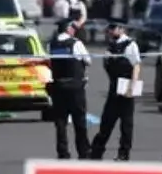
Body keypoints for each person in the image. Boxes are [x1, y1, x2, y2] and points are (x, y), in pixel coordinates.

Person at [90, 19, 141, 161]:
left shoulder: (130, 45)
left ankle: (123, 153)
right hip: (114, 87)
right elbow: (107, 65)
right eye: (110, 28)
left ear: (122, 29)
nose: (111, 31)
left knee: (126, 124)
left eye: (114, 28)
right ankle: (96, 152)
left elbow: (136, 66)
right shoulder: (111, 46)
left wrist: (132, 86)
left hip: (126, 86)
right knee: (106, 121)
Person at [47, 19, 92, 159]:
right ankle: (83, 151)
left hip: (58, 87)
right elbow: (88, 61)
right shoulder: (76, 43)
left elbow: (50, 63)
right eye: (73, 27)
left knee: (60, 122)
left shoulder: (51, 44)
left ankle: (62, 152)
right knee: (79, 121)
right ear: (68, 29)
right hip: (75, 88)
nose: (74, 29)